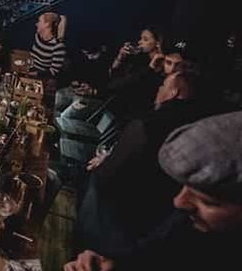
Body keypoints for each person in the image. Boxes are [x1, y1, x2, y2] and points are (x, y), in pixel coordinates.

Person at [64, 111, 242, 271]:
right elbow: (150, 260)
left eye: (207, 201)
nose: (179, 202)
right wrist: (114, 266)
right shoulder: (189, 224)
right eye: (184, 187)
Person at [77, 71, 203, 254]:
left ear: (174, 92)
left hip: (115, 210)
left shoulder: (150, 123)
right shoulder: (194, 126)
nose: (159, 89)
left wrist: (106, 162)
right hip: (145, 219)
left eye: (163, 86)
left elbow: (108, 175)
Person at [29, 12, 66, 78]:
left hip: (42, 77)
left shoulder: (58, 46)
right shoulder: (37, 36)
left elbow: (54, 71)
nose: (36, 24)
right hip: (30, 69)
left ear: (47, 24)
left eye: (39, 21)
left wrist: (35, 74)